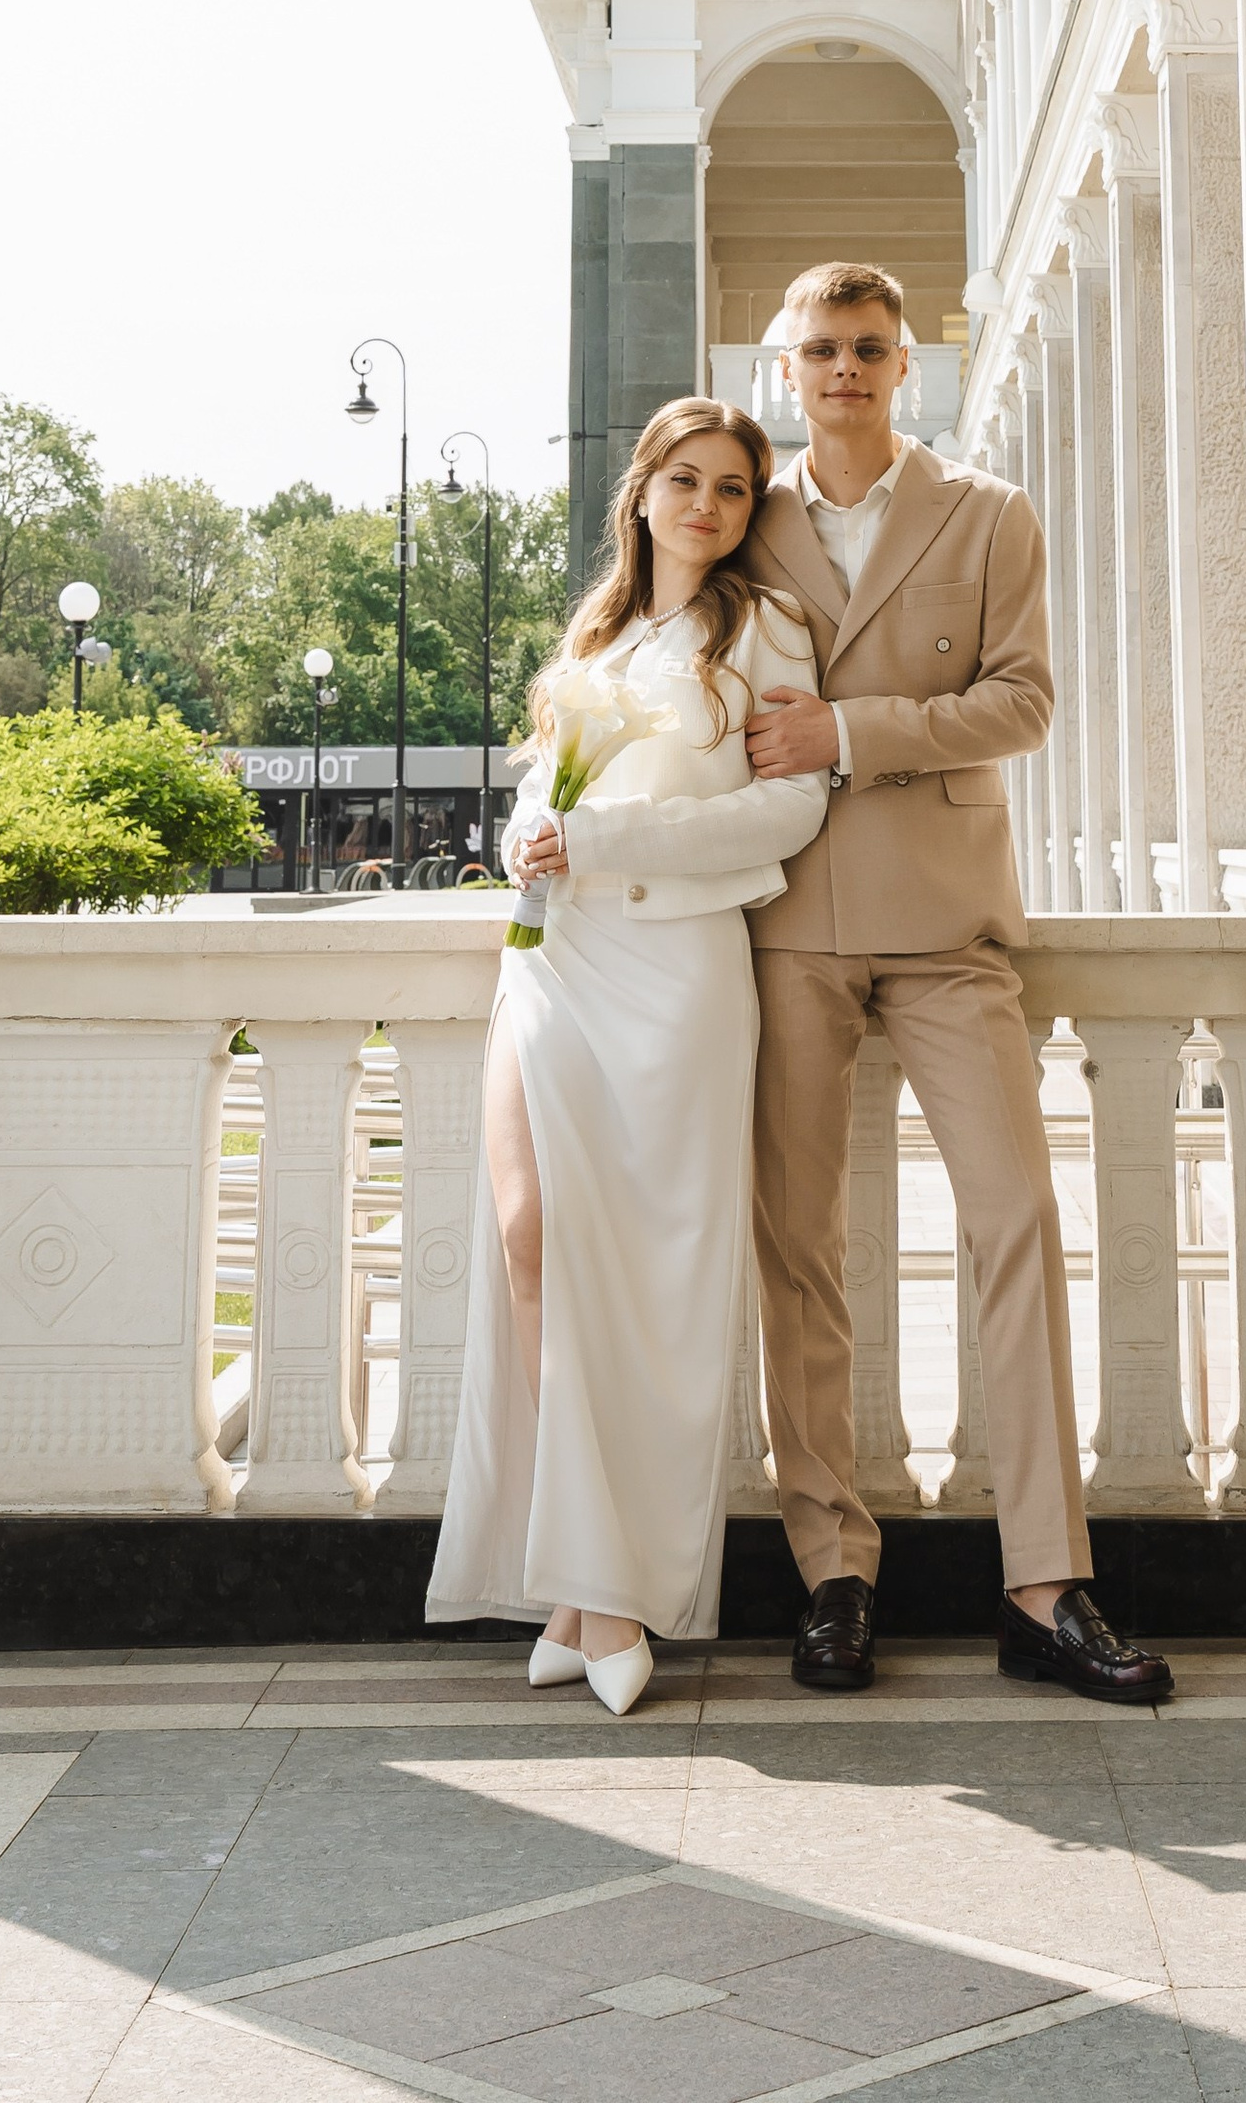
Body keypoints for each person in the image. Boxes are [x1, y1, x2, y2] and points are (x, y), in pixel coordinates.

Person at [742, 259, 1173, 1708]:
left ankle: (1044, 1585)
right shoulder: (745, 521)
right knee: (798, 1247)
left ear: (904, 366)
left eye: (868, 348)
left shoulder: (988, 513)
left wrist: (849, 733)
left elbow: (1023, 699)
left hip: (946, 922)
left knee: (1018, 1222)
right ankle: (832, 1574)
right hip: (786, 918)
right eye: (822, 349)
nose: (844, 370)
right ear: (787, 370)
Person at [426, 399, 828, 1714]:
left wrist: (602, 843)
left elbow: (787, 807)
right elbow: (538, 793)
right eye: (686, 479)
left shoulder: (766, 630)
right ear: (643, 490)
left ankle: (603, 1596)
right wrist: (527, 839)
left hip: (675, 976)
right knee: (527, 1236)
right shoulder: (594, 632)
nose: (707, 504)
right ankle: (575, 1572)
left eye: (734, 487)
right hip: (553, 960)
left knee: (657, 1282)